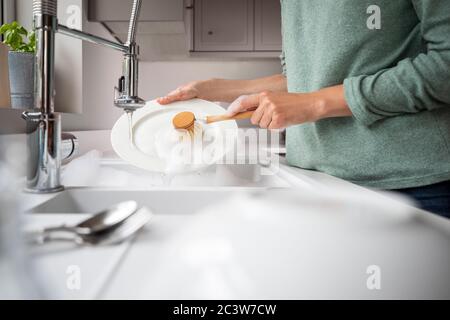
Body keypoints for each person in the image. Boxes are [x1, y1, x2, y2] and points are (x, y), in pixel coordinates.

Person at [158, 0, 450, 218]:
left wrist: (313, 104)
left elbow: (444, 66)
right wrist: (217, 88)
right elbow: (309, 79)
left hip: (409, 185)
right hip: (315, 180)